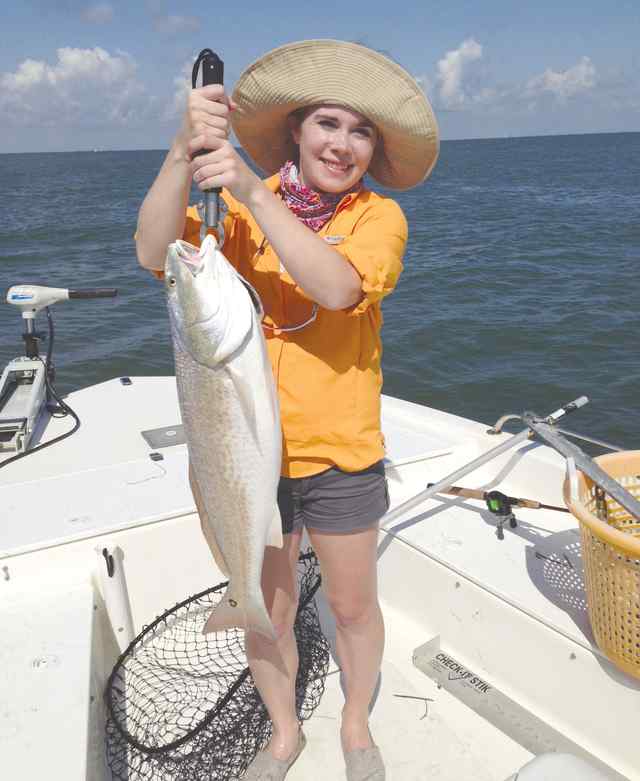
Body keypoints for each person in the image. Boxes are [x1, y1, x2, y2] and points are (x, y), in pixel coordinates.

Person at [136, 39, 438, 781]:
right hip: (244, 461)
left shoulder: (377, 220)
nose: (342, 144)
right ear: (298, 131)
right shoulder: (230, 217)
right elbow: (153, 251)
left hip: (339, 454)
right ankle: (282, 731)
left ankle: (357, 719)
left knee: (352, 605)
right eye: (327, 124)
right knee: (262, 603)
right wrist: (184, 149)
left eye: (360, 131)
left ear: (373, 149)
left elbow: (335, 289)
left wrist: (254, 190)